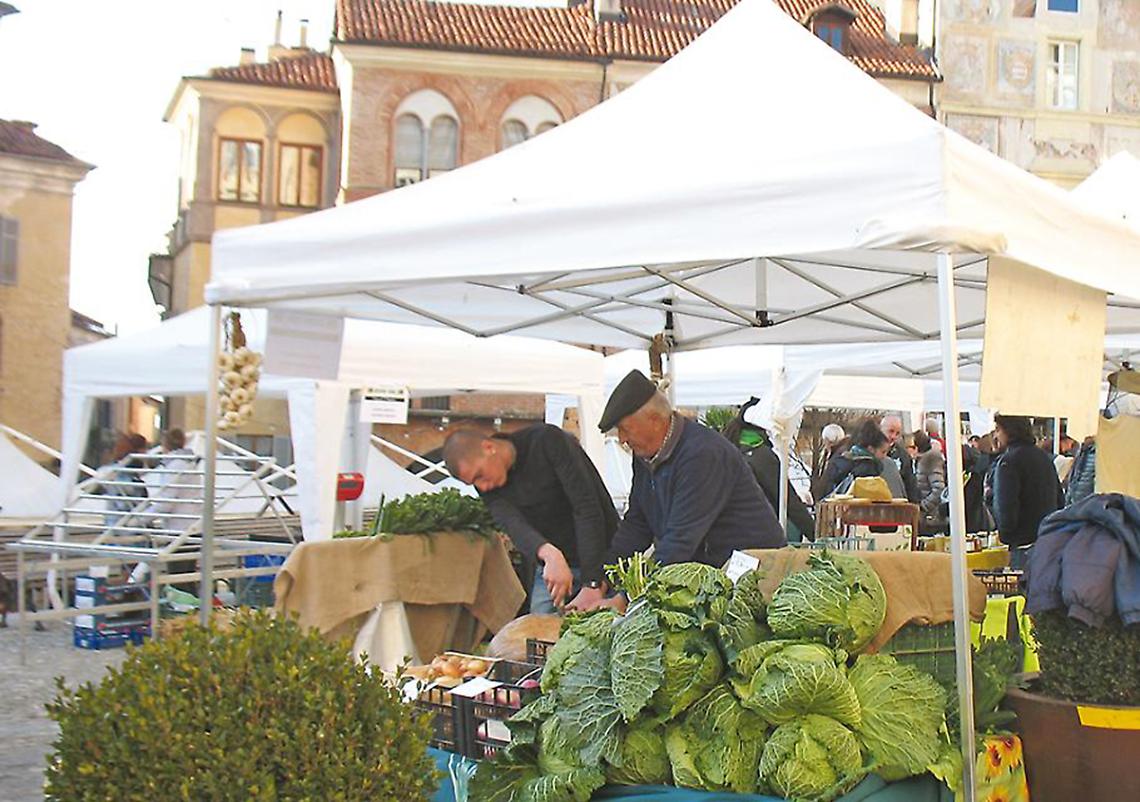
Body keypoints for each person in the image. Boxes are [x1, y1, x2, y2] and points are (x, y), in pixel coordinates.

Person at [590, 371, 785, 608]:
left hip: (751, 576)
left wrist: (627, 598)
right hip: (708, 578)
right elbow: (637, 525)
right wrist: (598, 582)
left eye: (625, 429)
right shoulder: (645, 456)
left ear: (654, 420)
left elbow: (680, 541)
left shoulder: (703, 454)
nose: (621, 439)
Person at [443, 424, 618, 613]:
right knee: (538, 625)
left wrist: (592, 582)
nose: (482, 487)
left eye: (479, 475)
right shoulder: (488, 487)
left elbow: (587, 508)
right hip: (552, 567)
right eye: (473, 483)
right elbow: (513, 525)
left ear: (488, 447)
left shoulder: (547, 440)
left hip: (603, 557)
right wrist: (549, 554)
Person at [722, 400, 815, 542]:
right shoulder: (761, 456)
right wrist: (815, 534)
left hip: (725, 534)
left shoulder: (725, 449)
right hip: (756, 535)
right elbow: (787, 500)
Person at [991, 413, 1063, 569]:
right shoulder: (1044, 458)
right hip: (1047, 541)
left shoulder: (1008, 462)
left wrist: (1006, 535)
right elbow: (1060, 499)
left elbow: (1006, 505)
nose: (996, 435)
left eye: (998, 429)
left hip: (1023, 544)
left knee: (1022, 583)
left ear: (1009, 430)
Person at [819, 419, 902, 499]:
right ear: (871, 449)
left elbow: (824, 490)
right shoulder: (875, 467)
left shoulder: (840, 459)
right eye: (883, 452)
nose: (885, 456)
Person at [913, 431, 947, 534]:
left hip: (931, 517)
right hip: (926, 516)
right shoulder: (919, 461)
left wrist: (923, 506)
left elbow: (939, 488)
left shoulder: (930, 461)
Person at [880, 415, 920, 503]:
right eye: (891, 431)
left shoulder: (903, 456)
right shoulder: (871, 451)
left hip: (897, 504)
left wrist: (914, 505)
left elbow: (910, 484)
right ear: (881, 429)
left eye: (897, 433)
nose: (893, 436)